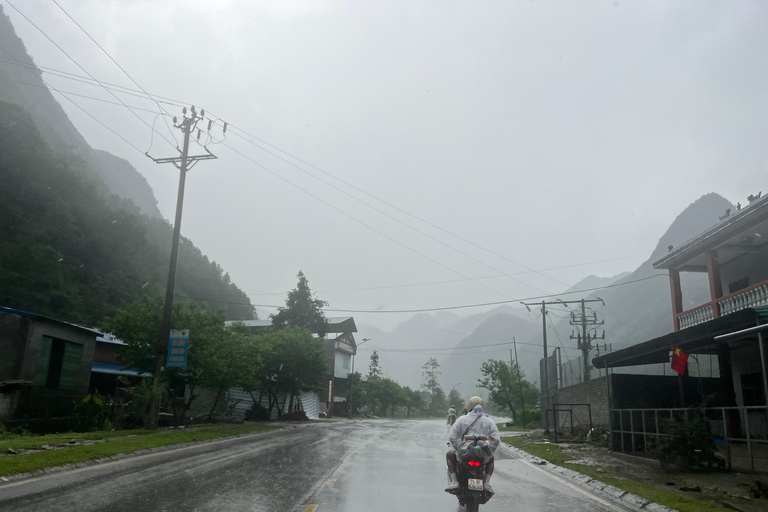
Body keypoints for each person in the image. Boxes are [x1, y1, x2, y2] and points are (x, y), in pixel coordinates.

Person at [444, 396, 500, 495]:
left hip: (464, 453)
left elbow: (452, 436)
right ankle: (486, 483)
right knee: (491, 459)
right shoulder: (488, 421)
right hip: (482, 454)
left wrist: (458, 449)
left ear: (469, 407)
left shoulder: (462, 419)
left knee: (449, 455)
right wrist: (489, 452)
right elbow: (495, 439)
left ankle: (454, 482)